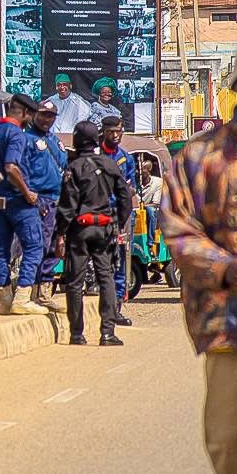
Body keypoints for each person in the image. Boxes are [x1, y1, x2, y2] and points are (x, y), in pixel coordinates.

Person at [161, 41, 237, 474]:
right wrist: (225, 267)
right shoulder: (198, 157)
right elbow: (177, 228)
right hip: (227, 317)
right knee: (225, 438)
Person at [55, 121, 133, 345]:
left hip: (79, 230)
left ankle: (76, 334)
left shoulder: (74, 167)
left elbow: (68, 205)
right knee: (106, 277)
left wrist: (60, 233)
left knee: (75, 281)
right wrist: (119, 222)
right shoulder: (110, 164)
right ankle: (107, 333)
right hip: (104, 229)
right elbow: (126, 197)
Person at [0, 93, 47, 315]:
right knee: (34, 246)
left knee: (0, 250)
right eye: (31, 115)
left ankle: (4, 299)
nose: (31, 120)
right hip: (18, 201)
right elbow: (11, 167)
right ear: (24, 113)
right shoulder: (17, 134)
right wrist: (28, 193)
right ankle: (22, 297)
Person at [20, 100, 68, 313]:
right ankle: (31, 291)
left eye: (51, 116)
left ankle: (45, 291)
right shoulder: (26, 139)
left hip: (57, 200)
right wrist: (33, 199)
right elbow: (22, 171)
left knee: (54, 247)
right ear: (34, 115)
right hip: (39, 201)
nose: (47, 119)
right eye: (43, 115)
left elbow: (64, 166)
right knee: (37, 246)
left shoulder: (55, 141)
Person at [101, 115, 136, 326]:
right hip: (98, 215)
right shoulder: (95, 155)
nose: (115, 136)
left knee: (121, 261)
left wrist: (124, 191)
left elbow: (132, 188)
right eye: (111, 132)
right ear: (103, 132)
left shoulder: (125, 158)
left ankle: (117, 309)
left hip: (121, 215)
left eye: (118, 131)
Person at [139, 156, 163, 254]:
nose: (140, 173)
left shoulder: (157, 182)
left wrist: (144, 206)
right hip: (136, 207)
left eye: (143, 170)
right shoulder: (135, 182)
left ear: (148, 171)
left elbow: (156, 203)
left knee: (151, 212)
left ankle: (150, 242)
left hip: (150, 207)